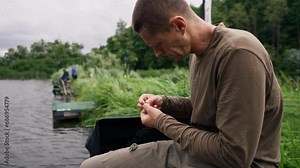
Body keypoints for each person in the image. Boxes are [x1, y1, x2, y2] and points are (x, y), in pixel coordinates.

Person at [80, 0, 283, 167]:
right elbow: (205, 107)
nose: (157, 54)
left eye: (157, 45)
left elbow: (233, 155)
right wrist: (165, 103)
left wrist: (161, 121)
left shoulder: (238, 53)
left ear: (179, 25)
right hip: (202, 154)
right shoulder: (197, 54)